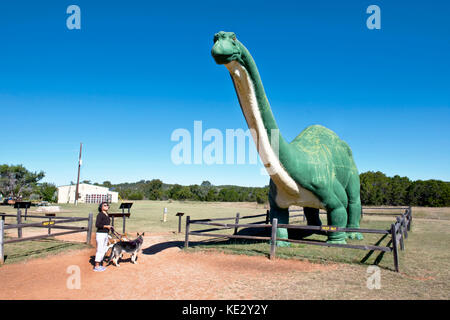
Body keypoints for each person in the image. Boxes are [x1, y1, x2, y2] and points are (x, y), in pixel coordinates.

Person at [93, 201, 113, 272]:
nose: (107, 206)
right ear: (101, 207)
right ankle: (97, 266)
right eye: (105, 205)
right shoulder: (100, 214)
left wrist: (110, 228)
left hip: (105, 234)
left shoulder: (107, 214)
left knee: (104, 249)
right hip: (100, 234)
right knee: (100, 249)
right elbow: (97, 225)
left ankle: (100, 264)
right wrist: (106, 226)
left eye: (107, 205)